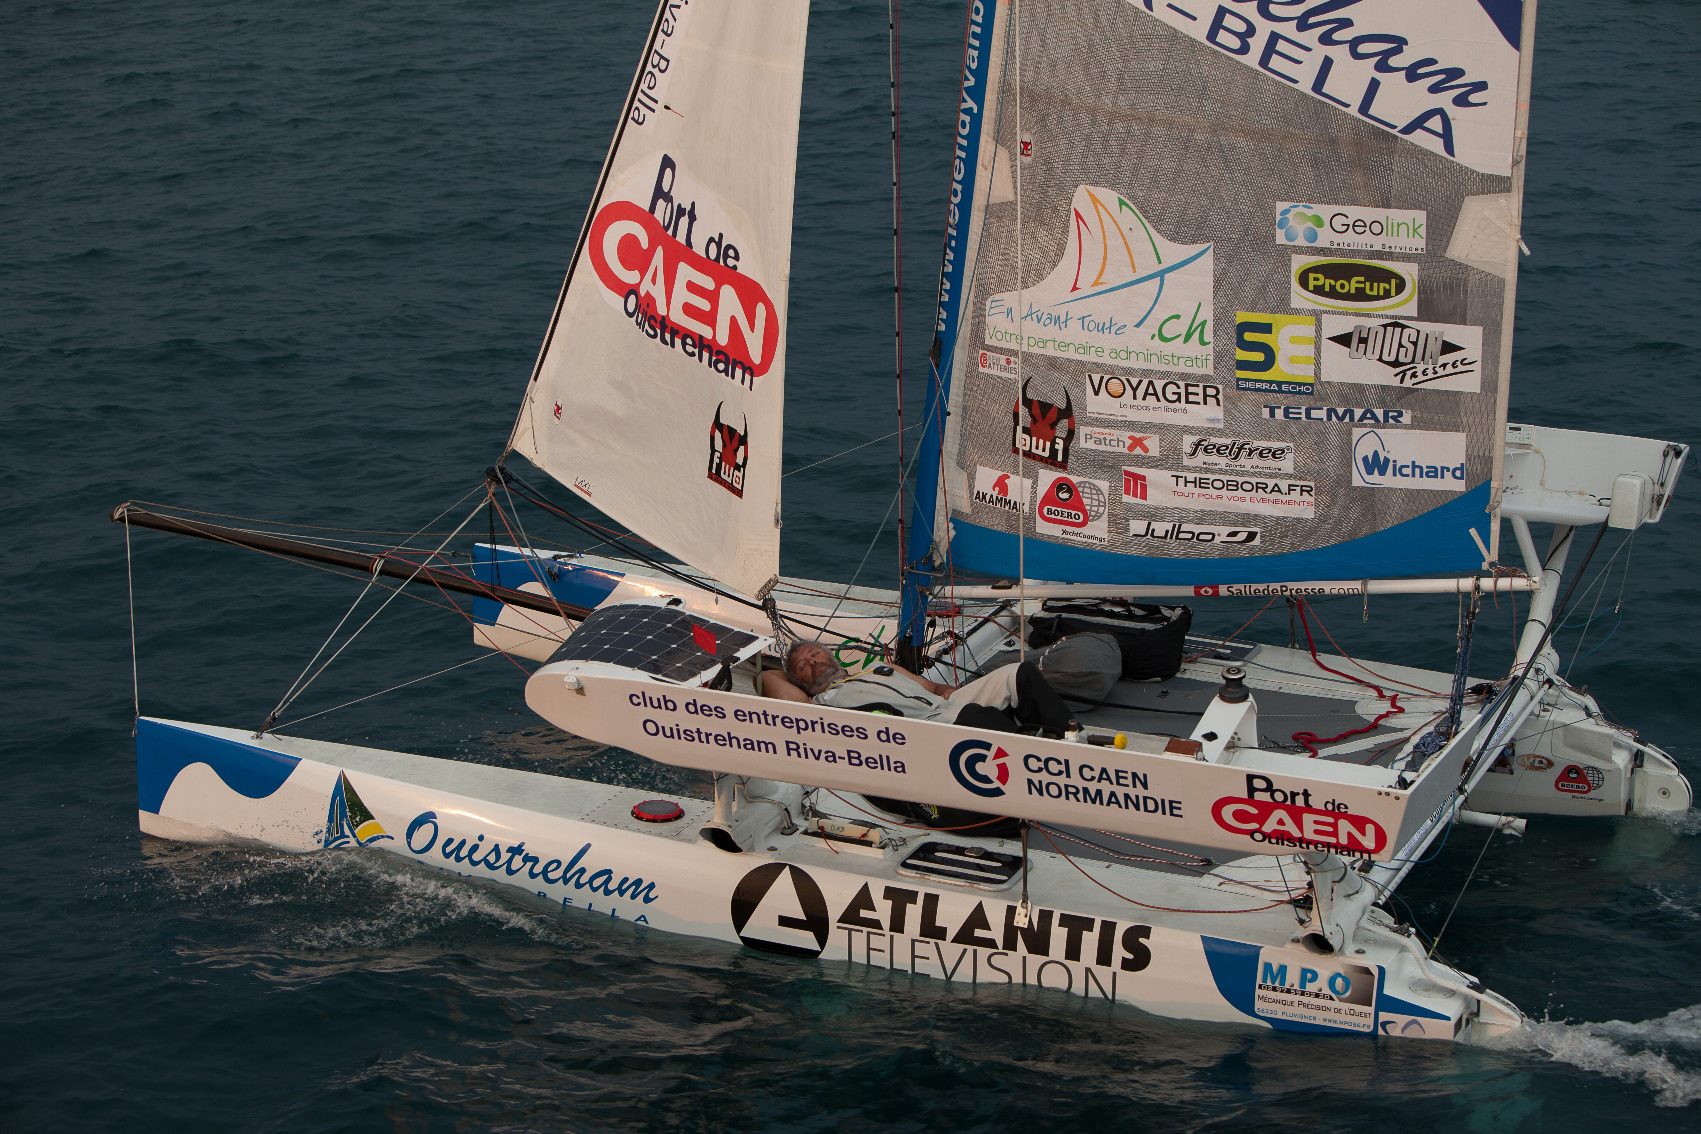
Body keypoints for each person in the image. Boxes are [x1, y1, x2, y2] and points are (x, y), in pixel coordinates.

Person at [760, 640, 1078, 737]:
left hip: (943, 704)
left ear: (830, 655)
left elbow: (936, 687)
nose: (812, 663)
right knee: (974, 716)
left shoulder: (881, 669)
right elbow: (767, 678)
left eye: (814, 654)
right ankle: (1039, 758)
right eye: (803, 666)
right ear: (799, 680)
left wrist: (955, 694)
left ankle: (1071, 735)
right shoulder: (821, 703)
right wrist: (789, 675)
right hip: (925, 728)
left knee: (1016, 673)